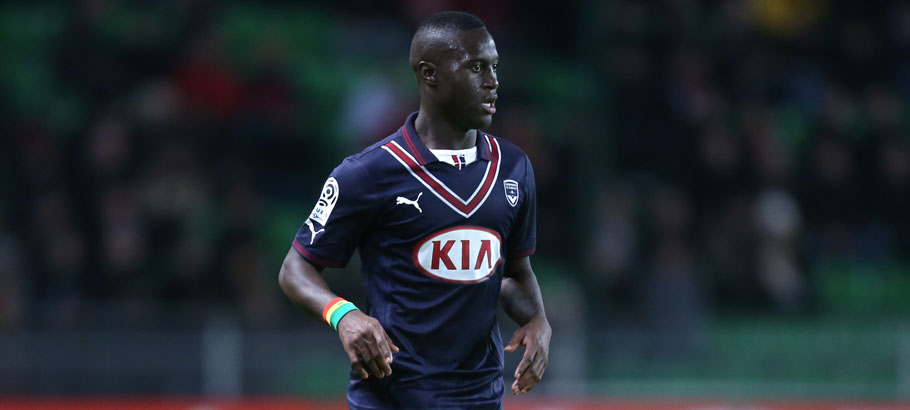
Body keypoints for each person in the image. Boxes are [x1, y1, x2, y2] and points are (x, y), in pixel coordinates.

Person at [279, 11, 551, 409]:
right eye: (476, 67)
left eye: (494, 67)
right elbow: (294, 269)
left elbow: (512, 273)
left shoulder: (513, 167)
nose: (493, 81)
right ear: (429, 74)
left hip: (481, 397)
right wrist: (344, 315)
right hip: (393, 398)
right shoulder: (368, 173)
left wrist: (537, 320)